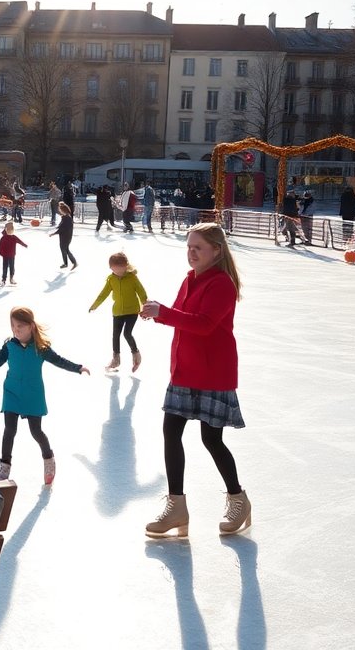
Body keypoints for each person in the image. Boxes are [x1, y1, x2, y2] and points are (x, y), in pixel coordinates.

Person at [139, 222, 250, 538]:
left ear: (216, 250)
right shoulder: (190, 280)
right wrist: (157, 313)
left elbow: (203, 325)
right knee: (170, 431)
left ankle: (238, 499)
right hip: (185, 370)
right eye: (188, 247)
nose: (191, 253)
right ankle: (177, 506)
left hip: (213, 372)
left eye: (197, 248)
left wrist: (165, 313)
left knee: (211, 439)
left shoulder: (222, 285)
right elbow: (181, 318)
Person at [0, 306, 90, 485]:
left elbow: (59, 360)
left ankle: (49, 459)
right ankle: (5, 467)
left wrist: (78, 368)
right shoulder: (9, 346)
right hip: (12, 392)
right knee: (9, 430)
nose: (16, 329)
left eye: (20, 326)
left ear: (31, 327)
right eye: (13, 326)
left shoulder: (41, 349)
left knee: (36, 431)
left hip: (33, 393)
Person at [89, 252, 148, 373]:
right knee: (115, 335)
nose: (118, 272)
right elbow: (103, 293)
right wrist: (95, 305)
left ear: (126, 266)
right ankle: (116, 359)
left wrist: (145, 306)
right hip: (117, 312)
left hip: (132, 311)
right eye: (114, 270)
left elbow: (141, 292)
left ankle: (136, 354)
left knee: (127, 333)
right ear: (111, 268)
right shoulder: (111, 279)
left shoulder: (132, 278)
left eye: (120, 270)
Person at [0, 221, 28, 287]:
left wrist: (24, 245)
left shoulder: (14, 237)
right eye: (9, 230)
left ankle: (11, 278)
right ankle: (3, 279)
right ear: (6, 230)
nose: (10, 231)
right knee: (5, 267)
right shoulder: (3, 238)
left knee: (12, 267)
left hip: (12, 255)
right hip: (5, 256)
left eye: (12, 230)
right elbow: (0, 247)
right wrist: (1, 253)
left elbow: (20, 241)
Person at [50, 201, 78, 270]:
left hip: (66, 236)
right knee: (64, 249)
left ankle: (73, 263)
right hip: (64, 236)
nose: (59, 211)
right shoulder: (65, 217)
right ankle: (66, 263)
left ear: (63, 210)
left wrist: (54, 233)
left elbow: (63, 228)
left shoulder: (67, 218)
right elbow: (61, 226)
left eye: (60, 210)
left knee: (65, 249)